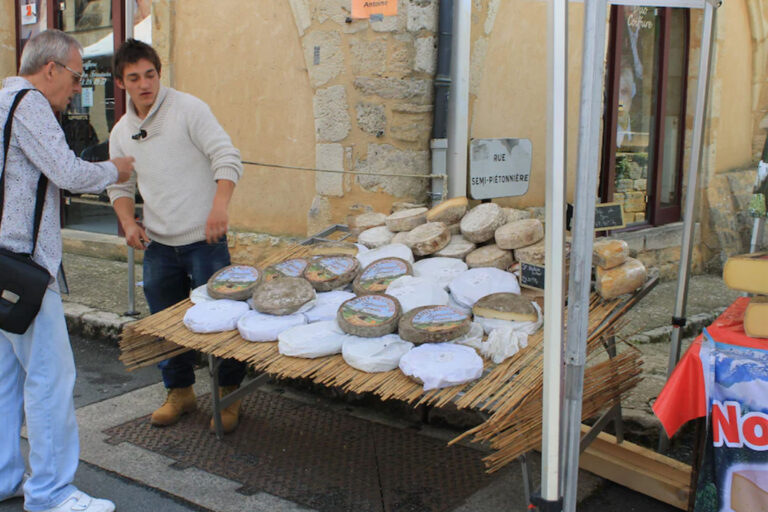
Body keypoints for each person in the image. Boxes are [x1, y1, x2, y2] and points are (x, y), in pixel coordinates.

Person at [0, 30, 134, 512]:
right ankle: (52, 493)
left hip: (2, 265)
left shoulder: (0, 102)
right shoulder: (29, 103)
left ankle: (4, 478)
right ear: (51, 68)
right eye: (77, 76)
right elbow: (69, 173)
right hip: (26, 269)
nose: (78, 87)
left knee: (4, 380)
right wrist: (114, 170)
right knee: (50, 380)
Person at [107, 39, 246, 434]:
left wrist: (220, 207)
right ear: (121, 83)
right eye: (134, 77)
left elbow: (227, 156)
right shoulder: (121, 132)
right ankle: (180, 392)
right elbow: (119, 186)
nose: (144, 83)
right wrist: (129, 223)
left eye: (150, 74)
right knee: (166, 325)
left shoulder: (189, 109)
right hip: (159, 246)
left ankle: (229, 393)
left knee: (222, 321)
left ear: (158, 72)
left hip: (206, 240)